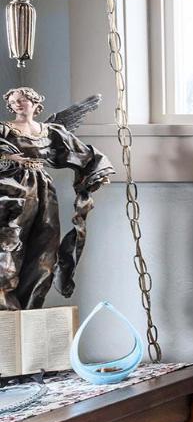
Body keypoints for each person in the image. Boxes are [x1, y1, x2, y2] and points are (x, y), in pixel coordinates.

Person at [0, 87, 115, 311]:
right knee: (11, 242)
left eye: (22, 100)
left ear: (35, 103)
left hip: (43, 189)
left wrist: (96, 172)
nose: (17, 105)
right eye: (13, 102)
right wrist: (8, 158)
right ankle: (5, 305)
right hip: (13, 190)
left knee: (46, 244)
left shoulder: (50, 131)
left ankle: (31, 308)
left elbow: (80, 152)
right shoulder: (4, 129)